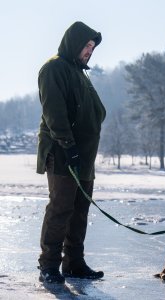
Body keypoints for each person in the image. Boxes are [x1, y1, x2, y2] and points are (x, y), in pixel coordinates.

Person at [36, 21, 106, 284]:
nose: (89, 50)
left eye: (92, 47)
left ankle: (74, 263)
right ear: (73, 43)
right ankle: (49, 265)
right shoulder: (54, 68)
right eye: (86, 45)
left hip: (84, 156)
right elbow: (54, 113)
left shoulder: (80, 73)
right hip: (63, 153)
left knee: (80, 210)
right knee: (61, 209)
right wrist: (68, 146)